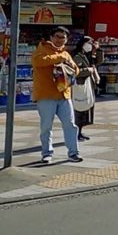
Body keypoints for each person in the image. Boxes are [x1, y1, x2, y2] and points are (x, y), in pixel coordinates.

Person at [31, 27, 81, 163]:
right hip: (46, 95)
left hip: (64, 95)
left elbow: (76, 70)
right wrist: (60, 57)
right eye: (57, 36)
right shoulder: (41, 49)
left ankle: (73, 153)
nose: (60, 40)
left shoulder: (65, 53)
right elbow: (39, 62)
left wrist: (68, 61)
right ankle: (46, 153)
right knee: (46, 126)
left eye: (63, 37)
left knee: (70, 124)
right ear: (51, 37)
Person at [71, 36, 101, 141]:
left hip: (88, 85)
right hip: (80, 86)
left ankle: (80, 131)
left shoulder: (87, 55)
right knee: (78, 110)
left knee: (86, 110)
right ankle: (75, 133)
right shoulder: (77, 55)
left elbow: (98, 61)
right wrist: (88, 70)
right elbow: (75, 71)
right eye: (89, 43)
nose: (90, 45)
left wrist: (97, 50)